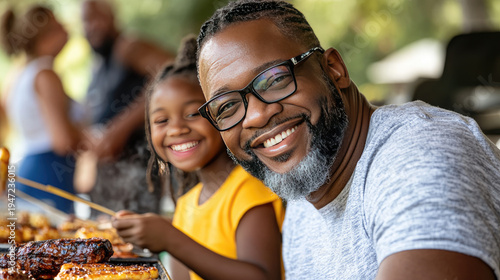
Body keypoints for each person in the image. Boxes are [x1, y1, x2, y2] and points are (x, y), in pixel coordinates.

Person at [195, 0, 500, 279]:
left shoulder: (421, 156)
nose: (256, 116)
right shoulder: (304, 197)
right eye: (228, 107)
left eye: (275, 79)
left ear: (334, 69)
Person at [112, 35, 284, 280]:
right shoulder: (186, 204)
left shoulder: (248, 191)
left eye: (192, 113)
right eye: (162, 120)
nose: (176, 129)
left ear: (222, 113)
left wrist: (171, 239)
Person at [79, 0, 173, 216]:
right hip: (108, 180)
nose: (91, 26)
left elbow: (171, 72)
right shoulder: (97, 64)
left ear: (112, 17)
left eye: (96, 17)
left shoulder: (129, 46)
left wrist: (120, 128)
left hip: (137, 171)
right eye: (85, 20)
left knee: (134, 243)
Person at [0, 5, 86, 213]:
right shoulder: (45, 74)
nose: (66, 28)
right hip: (50, 173)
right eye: (58, 24)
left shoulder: (19, 74)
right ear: (46, 35)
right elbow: (63, 141)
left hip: (30, 170)